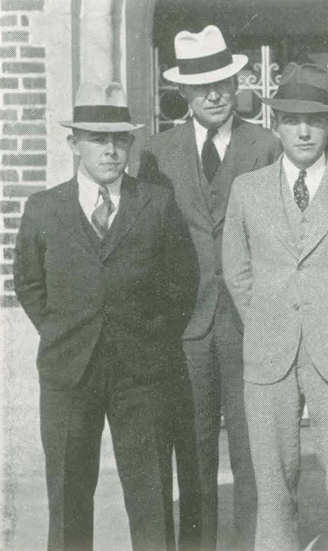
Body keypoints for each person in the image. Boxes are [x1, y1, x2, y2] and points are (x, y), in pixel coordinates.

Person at [14, 81, 198, 551]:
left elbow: (183, 281)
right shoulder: (44, 209)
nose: (111, 150)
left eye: (120, 139)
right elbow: (30, 285)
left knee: (151, 496)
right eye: (98, 139)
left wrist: (153, 338)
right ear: (74, 144)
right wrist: (65, 331)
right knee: (69, 494)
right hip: (69, 371)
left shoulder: (155, 203)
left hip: (142, 372)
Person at [222, 62, 328, 551]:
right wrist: (268, 315)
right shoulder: (247, 190)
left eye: (314, 119)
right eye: (293, 118)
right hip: (269, 351)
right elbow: (237, 270)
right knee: (272, 484)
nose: (303, 130)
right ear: (277, 124)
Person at [138, 25, 281, 551]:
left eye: (224, 80)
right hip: (186, 325)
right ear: (184, 93)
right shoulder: (157, 152)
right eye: (202, 86)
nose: (216, 93)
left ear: (238, 80)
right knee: (193, 448)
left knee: (253, 449)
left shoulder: (265, 146)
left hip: (251, 321)